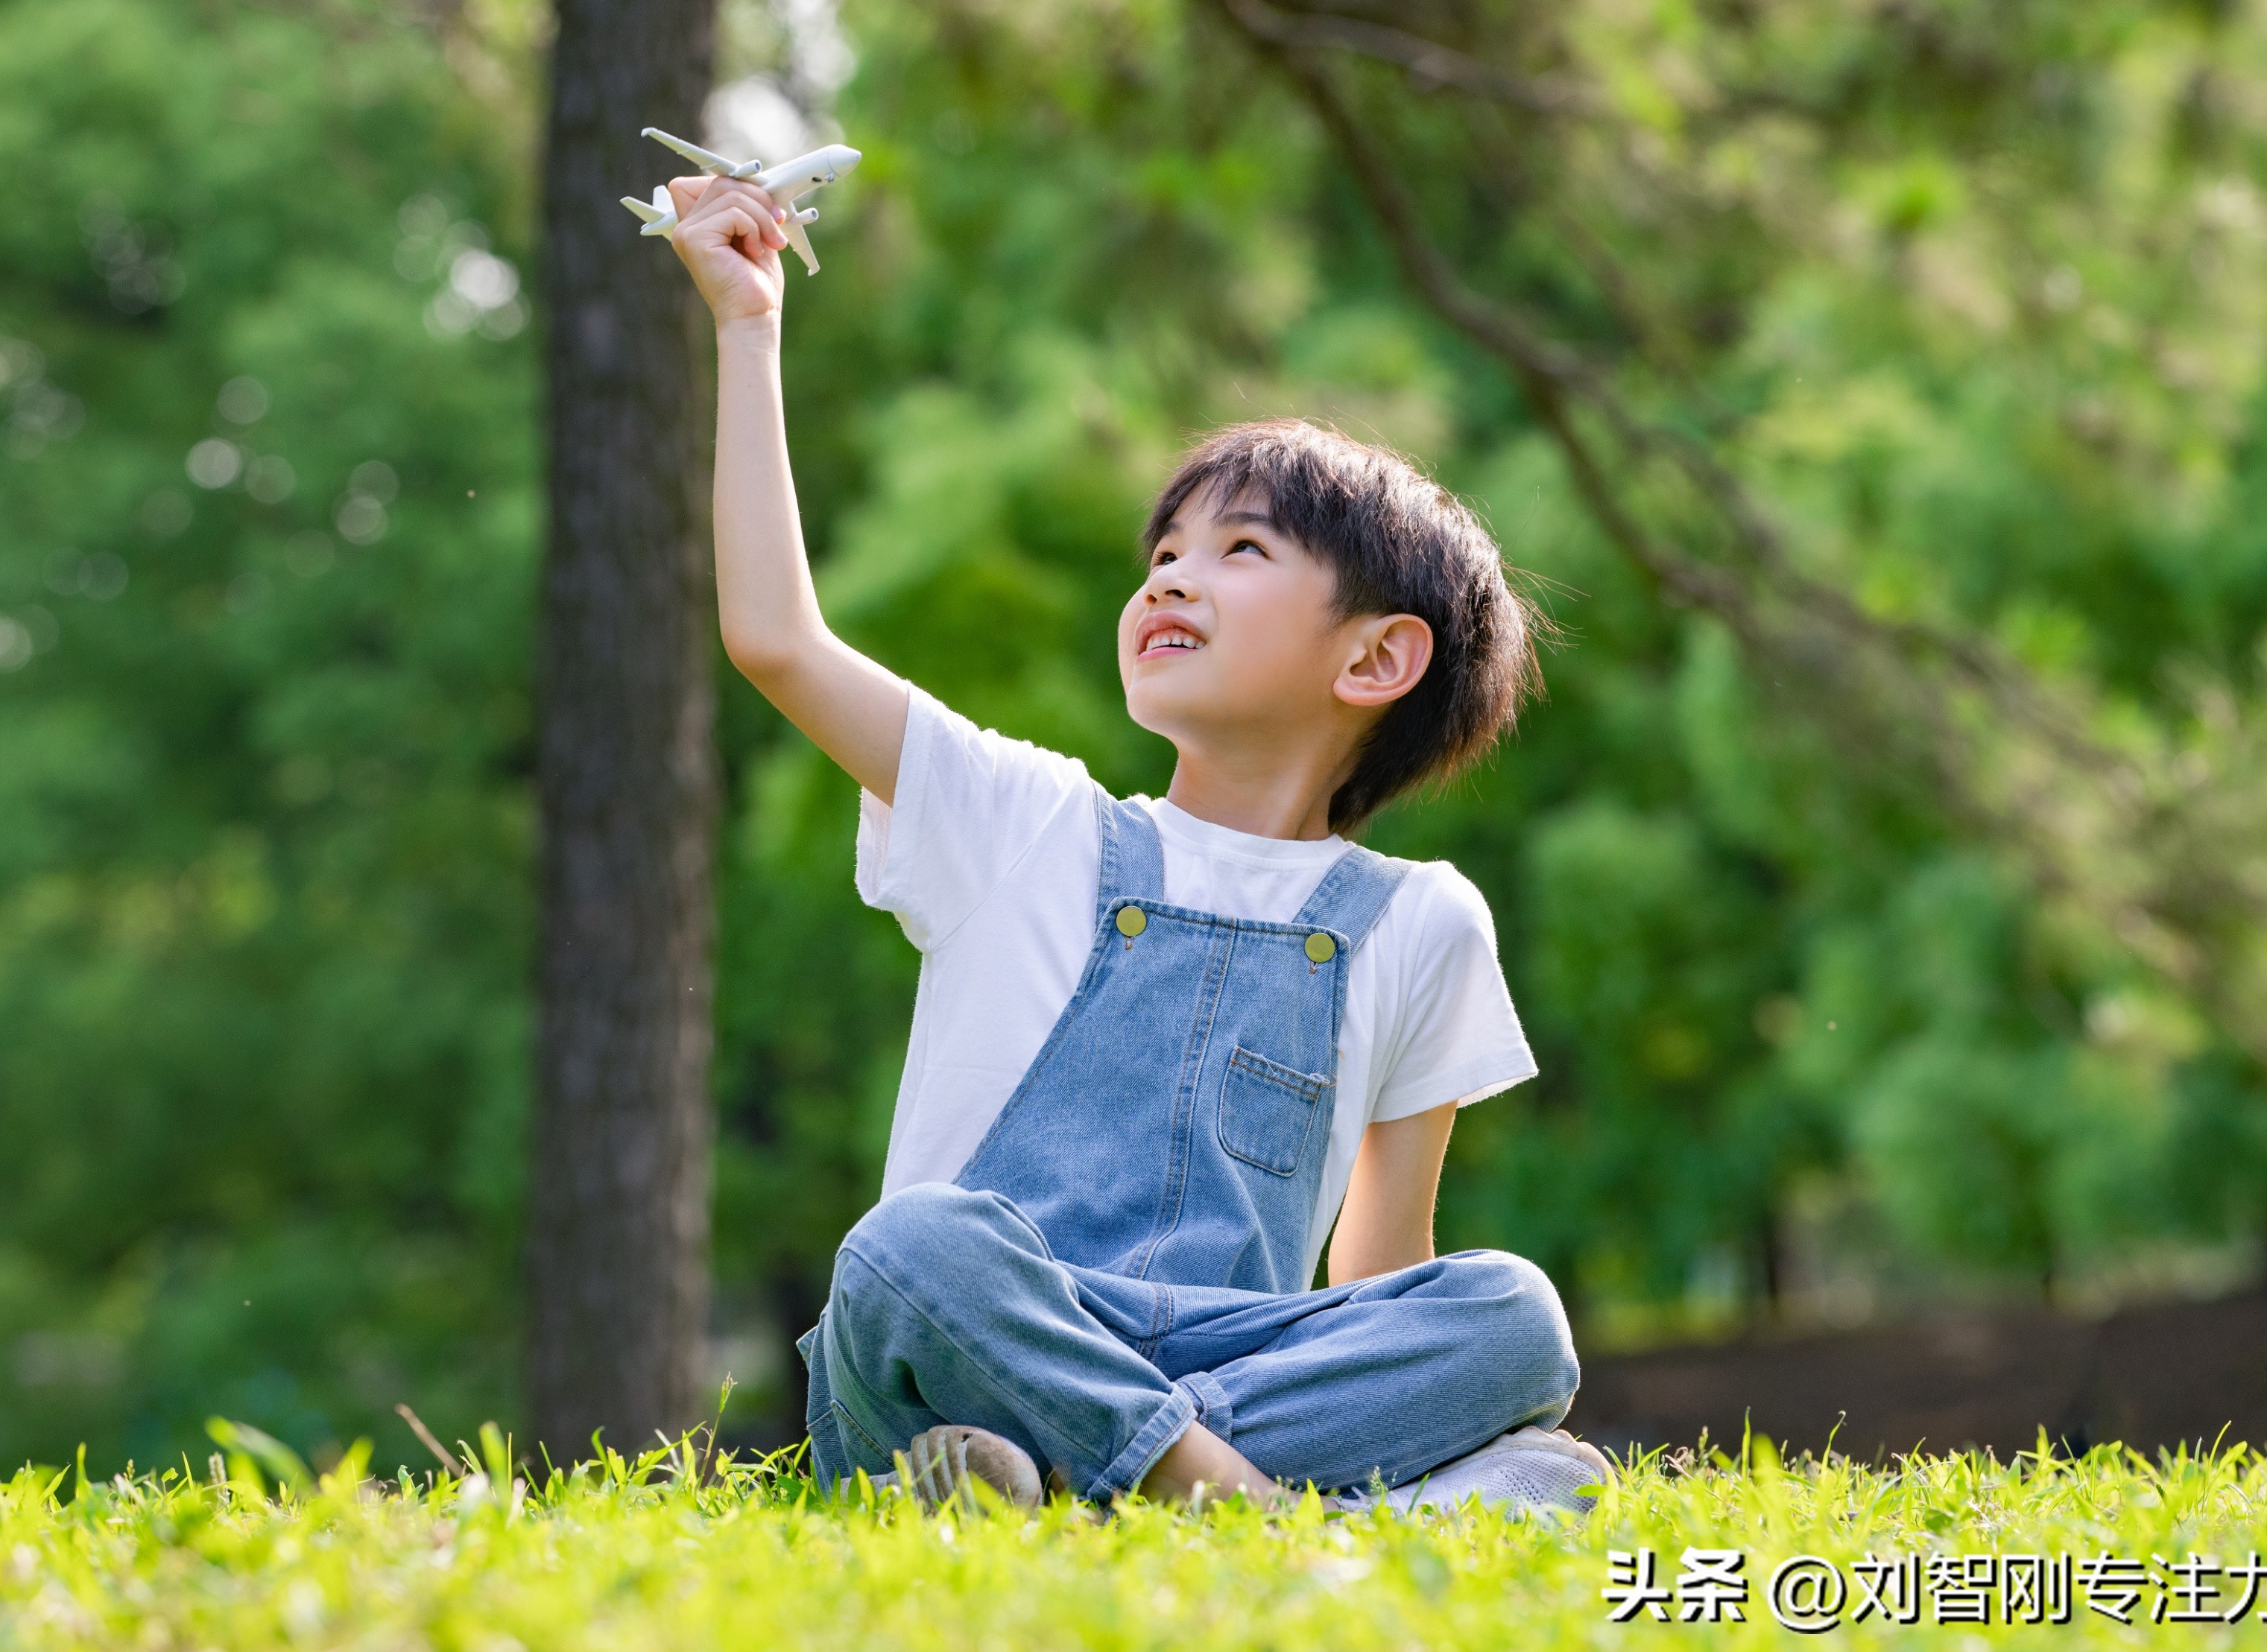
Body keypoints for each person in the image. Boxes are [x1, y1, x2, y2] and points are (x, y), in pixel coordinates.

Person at [660, 165, 1605, 1518]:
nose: (1168, 574)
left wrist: (1417, 1392)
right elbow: (775, 641)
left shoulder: (1420, 924)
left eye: (1239, 551)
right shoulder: (1020, 819)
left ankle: (1054, 1488)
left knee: (1514, 1316)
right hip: (960, 1349)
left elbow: (1378, 1291)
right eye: (1162, 551)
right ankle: (1266, 1515)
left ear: (1379, 656)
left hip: (1225, 1367)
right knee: (912, 1249)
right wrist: (747, 332)